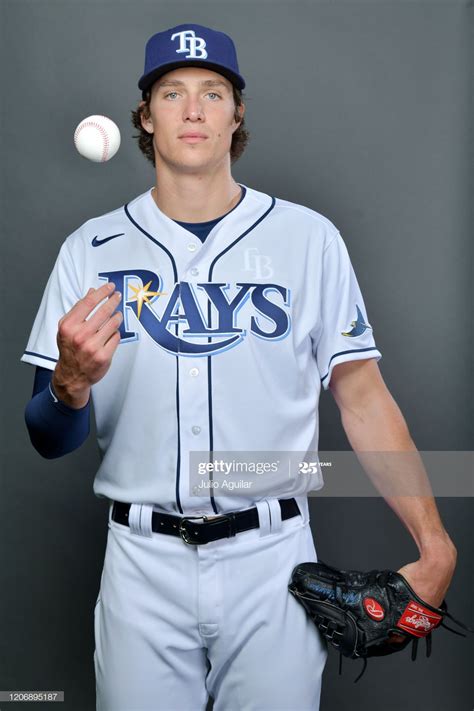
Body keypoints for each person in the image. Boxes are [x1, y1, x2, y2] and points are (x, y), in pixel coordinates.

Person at [22, 23, 457, 711]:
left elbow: (364, 399)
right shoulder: (90, 251)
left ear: (237, 112)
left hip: (274, 560)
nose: (193, 109)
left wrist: (435, 545)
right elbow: (48, 435)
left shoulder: (308, 240)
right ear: (145, 115)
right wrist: (68, 383)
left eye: (212, 92)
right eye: (172, 92)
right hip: (142, 566)